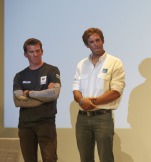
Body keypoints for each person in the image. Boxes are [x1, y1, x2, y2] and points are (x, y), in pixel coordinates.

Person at [72, 27, 126, 162]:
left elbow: (116, 92)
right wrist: (81, 101)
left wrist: (91, 103)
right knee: (85, 158)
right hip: (82, 118)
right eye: (91, 42)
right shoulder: (81, 64)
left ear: (103, 41)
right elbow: (76, 90)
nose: (96, 44)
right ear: (87, 45)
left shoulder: (115, 62)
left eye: (98, 40)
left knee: (106, 158)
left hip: (103, 117)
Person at [13, 38, 61, 162]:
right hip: (25, 125)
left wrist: (29, 93)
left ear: (42, 51)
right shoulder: (19, 76)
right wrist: (45, 97)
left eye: (37, 51)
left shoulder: (52, 70)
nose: (35, 54)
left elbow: (54, 94)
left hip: (46, 123)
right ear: (25, 54)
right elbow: (18, 101)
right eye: (31, 52)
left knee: (50, 159)